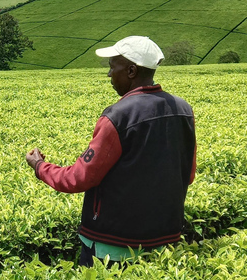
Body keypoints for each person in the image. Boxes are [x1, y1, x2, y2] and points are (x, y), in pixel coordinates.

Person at [25, 36, 196, 267]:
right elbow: (189, 174)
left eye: (112, 67)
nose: (109, 75)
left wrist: (39, 166)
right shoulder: (183, 109)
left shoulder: (118, 116)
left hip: (112, 246)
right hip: (165, 242)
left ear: (132, 70)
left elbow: (79, 178)